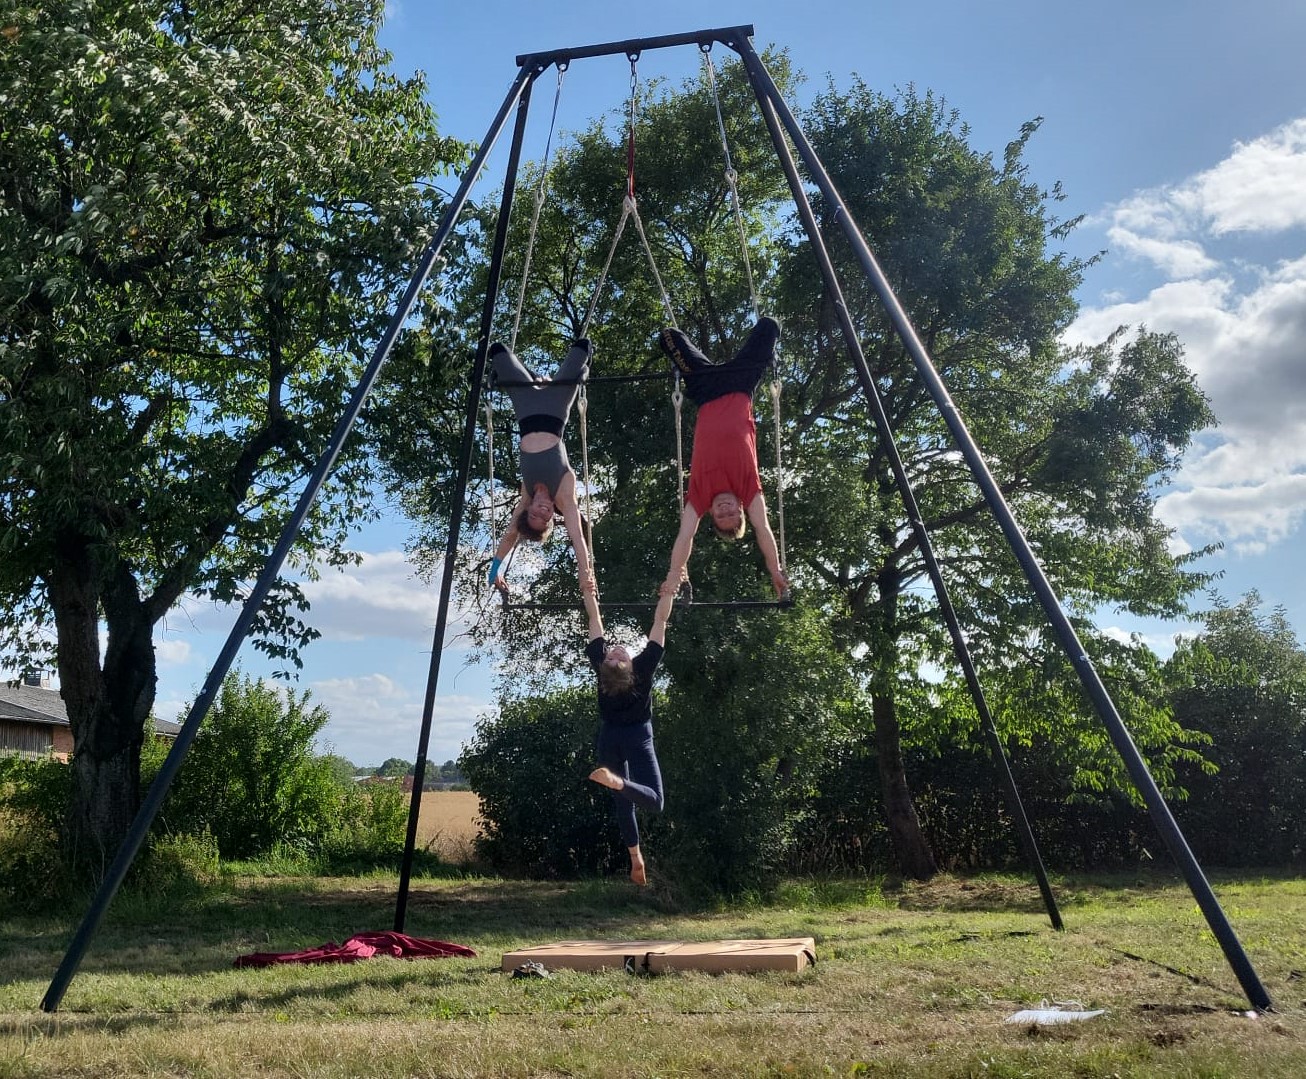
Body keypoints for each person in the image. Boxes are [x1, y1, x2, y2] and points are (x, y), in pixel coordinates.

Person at [659, 316, 789, 598]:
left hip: (705, 389)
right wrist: (775, 569)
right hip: (741, 384)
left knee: (667, 337)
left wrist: (674, 575)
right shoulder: (749, 489)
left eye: (721, 516)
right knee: (769, 326)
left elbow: (685, 537)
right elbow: (763, 529)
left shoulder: (700, 497)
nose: (726, 509)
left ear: (712, 515)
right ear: (742, 509)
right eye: (733, 514)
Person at [582, 577, 677, 885]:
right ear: (626, 667)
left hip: (609, 737)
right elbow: (660, 620)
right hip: (637, 737)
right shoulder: (644, 666)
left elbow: (594, 619)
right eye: (616, 657)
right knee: (655, 800)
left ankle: (635, 856)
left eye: (612, 655)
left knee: (623, 803)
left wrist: (588, 591)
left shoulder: (604, 669)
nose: (616, 652)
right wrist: (668, 592)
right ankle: (619, 782)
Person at [487, 338, 593, 594]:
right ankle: (582, 368)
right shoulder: (564, 497)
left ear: (529, 508)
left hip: (525, 407)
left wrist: (494, 568)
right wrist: (585, 572)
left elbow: (513, 532)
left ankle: (532, 378)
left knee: (496, 350)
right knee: (583, 347)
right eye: (544, 518)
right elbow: (578, 538)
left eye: (533, 514)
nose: (541, 511)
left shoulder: (527, 493)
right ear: (552, 519)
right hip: (557, 405)